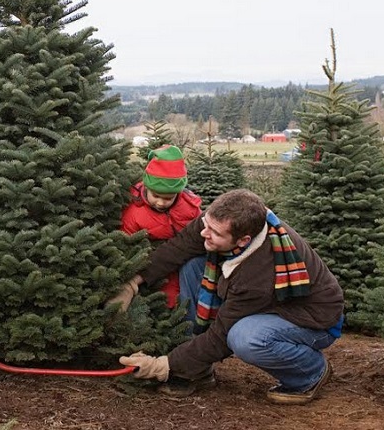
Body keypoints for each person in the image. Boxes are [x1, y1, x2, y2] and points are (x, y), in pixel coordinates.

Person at [110, 188, 344, 405]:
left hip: (312, 319)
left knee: (245, 337)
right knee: (192, 264)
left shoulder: (257, 275)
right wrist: (133, 281)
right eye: (206, 224)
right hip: (266, 300)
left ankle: (310, 372)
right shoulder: (221, 222)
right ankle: (197, 368)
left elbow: (220, 337)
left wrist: (163, 365)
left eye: (215, 232)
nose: (204, 233)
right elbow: (178, 247)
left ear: (243, 241)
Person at [120, 145, 203, 308]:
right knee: (168, 301)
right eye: (155, 195)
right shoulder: (134, 212)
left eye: (168, 198)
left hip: (183, 263)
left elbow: (200, 234)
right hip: (151, 265)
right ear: (147, 187)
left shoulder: (190, 207)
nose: (160, 202)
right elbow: (125, 241)